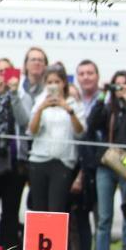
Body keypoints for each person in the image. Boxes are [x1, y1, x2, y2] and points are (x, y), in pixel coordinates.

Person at [92, 70, 126, 250]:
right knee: (104, 218)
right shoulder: (108, 107)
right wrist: (103, 95)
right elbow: (92, 124)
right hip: (106, 164)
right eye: (116, 84)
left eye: (124, 85)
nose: (120, 88)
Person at [0, 58, 31, 250]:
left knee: (10, 212)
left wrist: (13, 94)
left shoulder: (21, 95)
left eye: (7, 71)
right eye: (0, 71)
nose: (3, 75)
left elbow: (25, 120)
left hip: (14, 163)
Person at [26, 64, 84, 213]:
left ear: (64, 82)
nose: (53, 85)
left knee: (56, 209)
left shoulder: (73, 103)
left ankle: (55, 237)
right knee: (39, 208)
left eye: (57, 82)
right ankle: (38, 237)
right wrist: (41, 108)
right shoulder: (39, 101)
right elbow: (32, 131)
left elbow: (80, 132)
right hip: (38, 161)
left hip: (63, 162)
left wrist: (68, 109)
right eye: (49, 82)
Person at [69, 59, 104, 250]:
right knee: (80, 213)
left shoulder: (104, 99)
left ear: (97, 76)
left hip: (98, 163)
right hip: (79, 162)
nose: (86, 77)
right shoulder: (74, 99)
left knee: (101, 215)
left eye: (90, 73)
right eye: (81, 73)